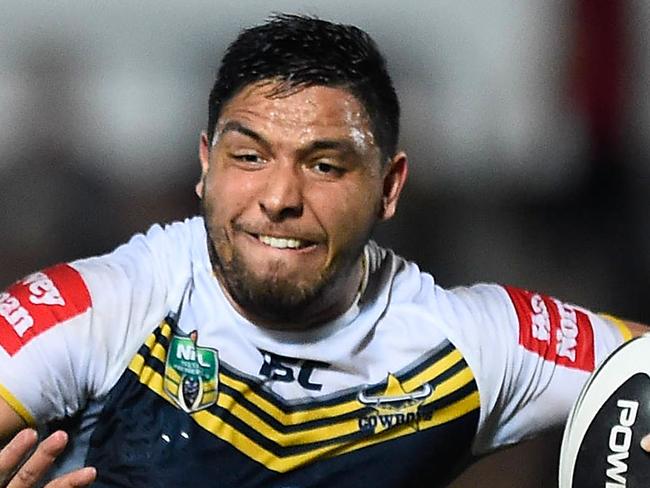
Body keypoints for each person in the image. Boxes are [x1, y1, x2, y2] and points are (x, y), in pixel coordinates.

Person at [0, 14, 646, 488]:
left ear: (389, 188)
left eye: (326, 165)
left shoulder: (467, 345)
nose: (279, 196)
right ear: (205, 166)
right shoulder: (102, 311)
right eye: (249, 157)